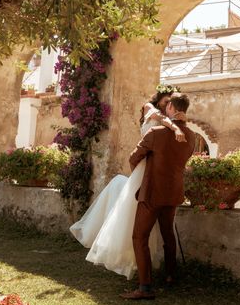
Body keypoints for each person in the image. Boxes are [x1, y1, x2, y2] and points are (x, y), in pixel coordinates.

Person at [69, 85, 186, 279]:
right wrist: (175, 124)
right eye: (165, 102)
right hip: (147, 170)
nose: (167, 107)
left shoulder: (163, 124)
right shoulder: (150, 108)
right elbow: (162, 119)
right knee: (130, 208)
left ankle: (150, 272)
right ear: (158, 101)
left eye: (170, 105)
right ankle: (131, 260)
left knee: (140, 219)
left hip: (150, 171)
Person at [121, 93, 195, 300]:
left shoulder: (155, 133)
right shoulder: (192, 137)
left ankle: (145, 287)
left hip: (152, 192)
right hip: (174, 192)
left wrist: (140, 174)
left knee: (139, 237)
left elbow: (133, 158)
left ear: (170, 106)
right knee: (168, 234)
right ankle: (171, 275)